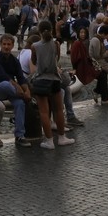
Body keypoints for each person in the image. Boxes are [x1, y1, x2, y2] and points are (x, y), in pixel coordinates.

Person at [31, 21, 76, 150]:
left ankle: (49, 141)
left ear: (39, 31)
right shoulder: (56, 44)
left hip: (41, 79)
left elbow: (34, 61)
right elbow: (56, 60)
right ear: (51, 30)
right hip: (54, 79)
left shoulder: (34, 46)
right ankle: (62, 137)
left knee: (44, 112)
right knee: (58, 109)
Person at [0, 34, 33, 146]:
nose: (6, 47)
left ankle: (19, 135)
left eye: (9, 44)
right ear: (0, 45)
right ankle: (29, 99)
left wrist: (26, 90)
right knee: (5, 84)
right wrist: (19, 88)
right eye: (4, 44)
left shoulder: (14, 60)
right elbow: (2, 76)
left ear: (13, 45)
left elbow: (21, 78)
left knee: (20, 104)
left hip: (12, 91)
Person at [71, 26, 108, 104]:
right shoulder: (77, 43)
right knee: (102, 74)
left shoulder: (83, 42)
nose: (82, 34)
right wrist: (75, 68)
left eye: (84, 33)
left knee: (102, 74)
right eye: (81, 33)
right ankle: (104, 98)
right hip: (82, 68)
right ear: (78, 33)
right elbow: (74, 57)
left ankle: (98, 93)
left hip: (86, 66)